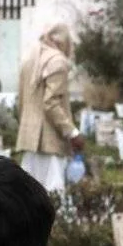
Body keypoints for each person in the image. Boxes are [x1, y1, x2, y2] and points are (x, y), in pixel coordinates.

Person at [16, 23, 83, 197]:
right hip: (50, 138)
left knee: (27, 195)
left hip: (30, 136)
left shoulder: (30, 56)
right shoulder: (57, 61)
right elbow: (51, 103)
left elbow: (22, 98)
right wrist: (72, 132)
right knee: (53, 195)